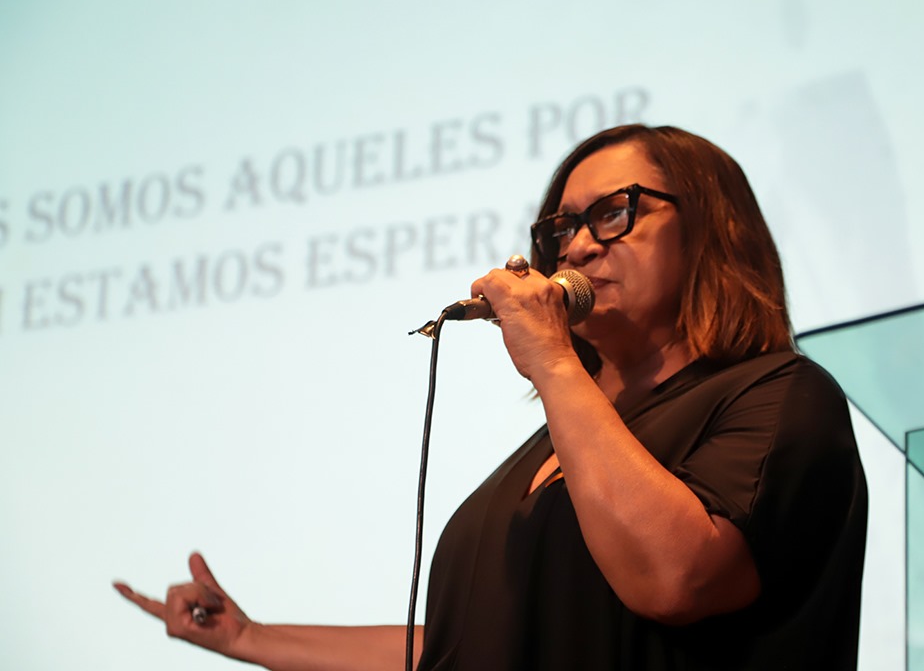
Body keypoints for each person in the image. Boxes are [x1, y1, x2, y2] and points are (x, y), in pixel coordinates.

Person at [115, 124, 867, 670]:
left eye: (614, 212)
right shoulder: (560, 440)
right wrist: (250, 638)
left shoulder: (777, 396)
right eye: (562, 228)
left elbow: (676, 578)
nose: (576, 247)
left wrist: (553, 363)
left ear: (710, 227)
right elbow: (461, 646)